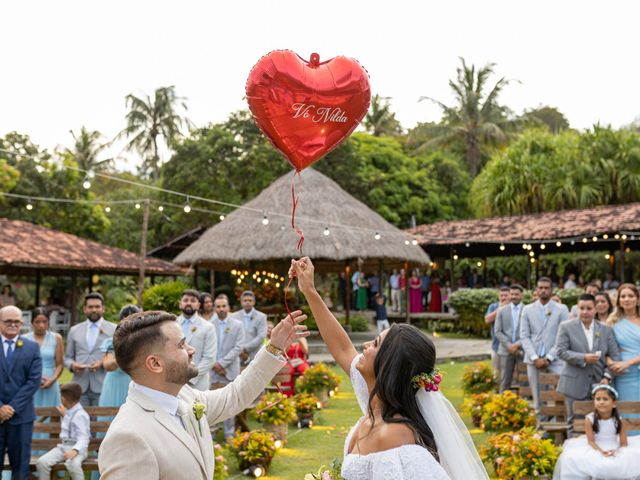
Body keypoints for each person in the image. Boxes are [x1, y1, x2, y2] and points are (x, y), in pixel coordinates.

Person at [290, 257, 489, 479]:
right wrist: (309, 290)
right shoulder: (375, 402)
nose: (364, 346)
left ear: (387, 366)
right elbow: (343, 349)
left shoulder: (395, 438)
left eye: (375, 344)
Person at [98, 309, 308, 479]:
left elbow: (235, 396)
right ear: (155, 363)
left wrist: (275, 346)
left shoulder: (186, 396)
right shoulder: (127, 437)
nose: (192, 350)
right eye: (181, 345)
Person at [555, 294, 620, 435]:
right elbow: (560, 351)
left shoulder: (605, 329)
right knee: (574, 423)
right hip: (574, 384)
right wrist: (583, 357)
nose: (585, 312)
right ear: (577, 309)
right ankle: (573, 455)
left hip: (599, 384)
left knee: (600, 424)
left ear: (596, 309)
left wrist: (607, 377)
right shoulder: (566, 327)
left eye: (589, 308)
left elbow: (615, 355)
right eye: (581, 308)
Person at [552, 384, 640, 479]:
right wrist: (601, 452)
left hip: (615, 445)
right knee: (570, 457)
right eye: (598, 399)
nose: (601, 402)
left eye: (605, 399)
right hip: (595, 446)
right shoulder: (590, 419)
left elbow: (623, 443)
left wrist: (617, 452)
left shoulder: (619, 420)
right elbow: (591, 441)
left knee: (630, 457)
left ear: (614, 403)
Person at [0, 305, 42, 480]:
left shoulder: (32, 347)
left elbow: (33, 381)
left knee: (20, 469)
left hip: (22, 417)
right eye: (8, 321)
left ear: (22, 323)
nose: (12, 325)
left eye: (16, 321)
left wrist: (11, 408)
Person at [520, 277, 569, 417]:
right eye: (540, 288)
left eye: (546, 288)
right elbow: (524, 336)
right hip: (532, 360)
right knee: (537, 395)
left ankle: (559, 422)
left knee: (559, 392)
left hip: (555, 358)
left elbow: (563, 336)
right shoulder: (527, 309)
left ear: (552, 290)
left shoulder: (561, 309)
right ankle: (540, 426)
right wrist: (535, 357)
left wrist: (549, 357)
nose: (543, 290)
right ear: (536, 290)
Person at [64, 293, 117, 406]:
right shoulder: (74, 330)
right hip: (79, 386)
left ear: (103, 309)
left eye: (97, 307)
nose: (94, 310)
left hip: (103, 384)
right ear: (84, 309)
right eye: (90, 307)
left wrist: (102, 363)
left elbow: (118, 357)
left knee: (100, 422)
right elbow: (67, 358)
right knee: (79, 422)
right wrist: (73, 366)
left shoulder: (113, 329)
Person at [36, 383, 90, 480]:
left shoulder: (81, 415)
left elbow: (84, 437)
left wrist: (75, 450)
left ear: (63, 399)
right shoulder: (70, 411)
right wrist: (65, 415)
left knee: (73, 465)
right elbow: (71, 424)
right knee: (42, 462)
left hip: (77, 450)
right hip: (63, 447)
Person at [210, 294, 245, 440]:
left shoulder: (237, 325)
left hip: (230, 369)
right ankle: (211, 432)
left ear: (229, 307)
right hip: (213, 370)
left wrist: (223, 363)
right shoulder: (210, 324)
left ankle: (229, 434)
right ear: (214, 308)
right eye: (218, 306)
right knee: (212, 402)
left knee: (229, 402)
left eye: (223, 306)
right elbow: (209, 347)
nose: (221, 309)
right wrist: (215, 364)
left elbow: (238, 347)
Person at [608, 283, 640, 435]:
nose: (627, 299)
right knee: (627, 411)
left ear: (638, 299)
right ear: (619, 300)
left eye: (631, 296)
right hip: (624, 375)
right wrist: (611, 364)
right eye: (623, 296)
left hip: (631, 365)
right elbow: (604, 349)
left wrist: (629, 362)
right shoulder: (612, 322)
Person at [99, 305, 139, 410]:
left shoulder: (146, 343)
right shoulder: (112, 342)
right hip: (114, 385)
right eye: (126, 320)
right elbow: (108, 365)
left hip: (137, 385)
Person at [176, 289, 217, 391]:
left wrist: (190, 376)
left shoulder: (208, 327)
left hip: (198, 383)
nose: (189, 303)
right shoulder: (171, 324)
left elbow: (209, 358)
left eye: (193, 300)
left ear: (198, 305)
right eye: (185, 300)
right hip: (174, 381)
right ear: (180, 304)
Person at [24, 308, 63, 408]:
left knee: (50, 412)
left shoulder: (56, 338)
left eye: (44, 322)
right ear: (32, 323)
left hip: (50, 380)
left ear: (48, 322)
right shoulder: (23, 339)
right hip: (30, 381)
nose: (41, 325)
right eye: (37, 322)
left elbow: (59, 364)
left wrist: (52, 380)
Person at [494, 285, 524, 393]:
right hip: (505, 350)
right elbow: (497, 331)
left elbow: (531, 332)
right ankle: (502, 404)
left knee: (525, 380)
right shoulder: (501, 310)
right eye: (512, 294)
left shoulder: (527, 310)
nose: (514, 296)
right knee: (505, 379)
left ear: (522, 295)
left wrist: (517, 344)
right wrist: (509, 345)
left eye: (516, 294)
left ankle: (526, 404)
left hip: (523, 350)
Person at [232, 290, 267, 365]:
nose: (247, 302)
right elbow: (232, 335)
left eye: (250, 300)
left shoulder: (261, 317)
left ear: (254, 302)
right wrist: (238, 349)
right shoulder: (234, 316)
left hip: (254, 354)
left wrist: (245, 348)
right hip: (237, 355)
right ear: (241, 302)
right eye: (245, 300)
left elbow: (261, 336)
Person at [485, 287, 510, 382]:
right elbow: (487, 320)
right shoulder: (493, 306)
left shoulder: (513, 307)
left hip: (510, 345)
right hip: (496, 345)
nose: (503, 297)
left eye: (506, 295)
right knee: (497, 372)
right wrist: (500, 309)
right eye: (501, 295)